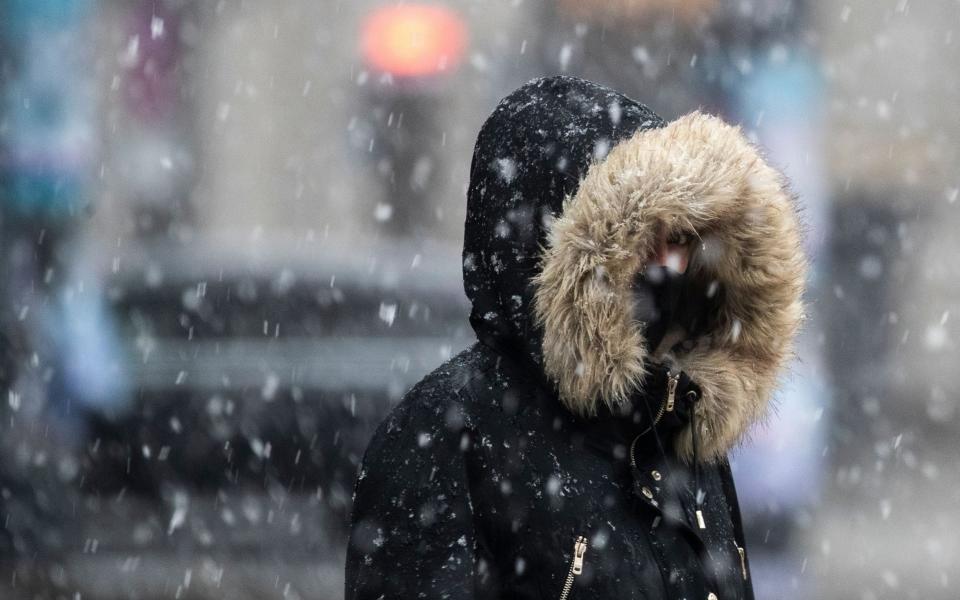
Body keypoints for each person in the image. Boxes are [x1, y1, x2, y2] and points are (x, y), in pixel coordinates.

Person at [345, 75, 806, 600]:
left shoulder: (678, 425)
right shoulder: (449, 435)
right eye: (641, 236)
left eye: (680, 236)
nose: (670, 263)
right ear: (557, 248)